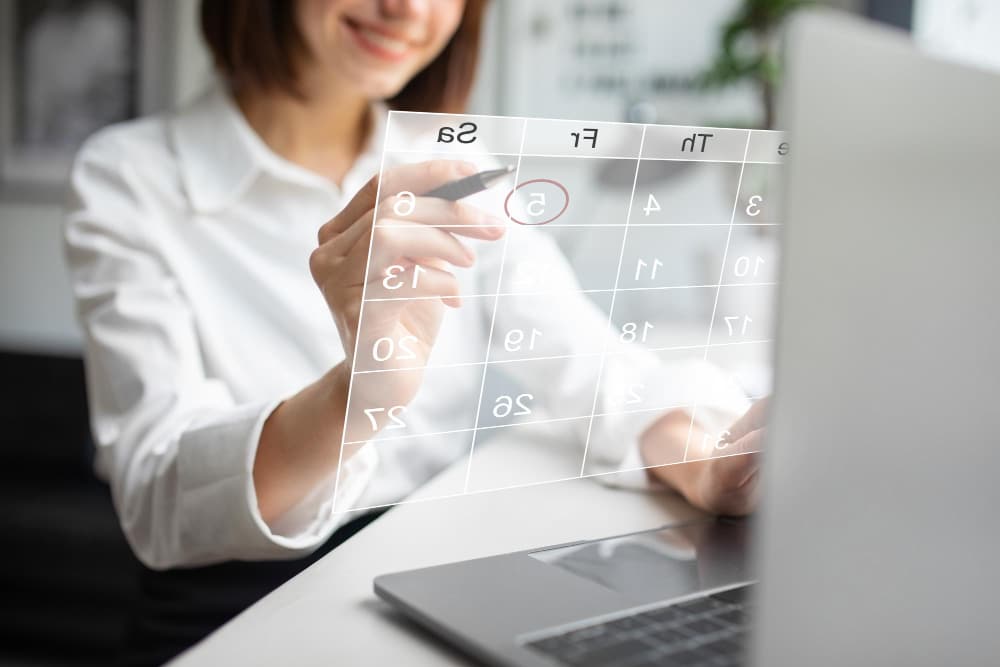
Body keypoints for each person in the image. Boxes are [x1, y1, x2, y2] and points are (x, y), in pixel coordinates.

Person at [64, 0, 766, 662]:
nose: (409, 8)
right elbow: (157, 493)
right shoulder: (131, 178)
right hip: (231, 614)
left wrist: (707, 463)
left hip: (414, 586)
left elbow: (589, 360)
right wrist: (356, 396)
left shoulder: (446, 159)